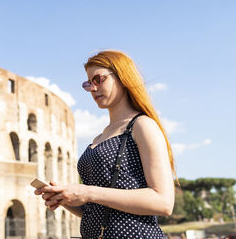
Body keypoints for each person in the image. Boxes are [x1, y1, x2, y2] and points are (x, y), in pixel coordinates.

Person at [35, 50, 176, 238]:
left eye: (98, 80)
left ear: (122, 77)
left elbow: (164, 202)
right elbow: (97, 209)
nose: (92, 88)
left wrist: (88, 192)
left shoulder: (142, 125)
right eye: (88, 83)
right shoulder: (98, 138)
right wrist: (66, 198)